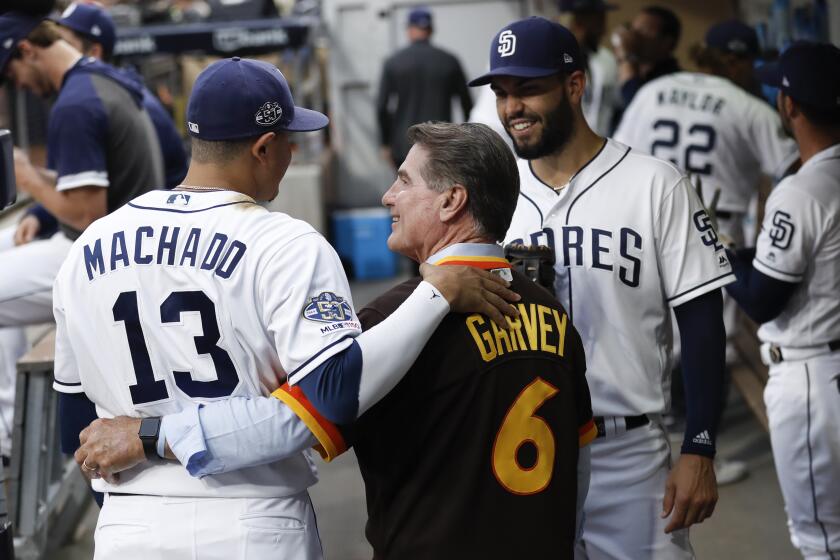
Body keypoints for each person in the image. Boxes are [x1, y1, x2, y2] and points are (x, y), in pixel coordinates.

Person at [57, 57, 519, 559]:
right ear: (262, 147)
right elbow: (328, 404)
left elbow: (73, 428)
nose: (293, 151)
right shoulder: (284, 242)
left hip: (130, 526)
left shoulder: (88, 245)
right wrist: (436, 294)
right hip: (253, 519)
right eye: (287, 139)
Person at [470, 17, 732, 559]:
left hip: (629, 452)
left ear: (574, 85)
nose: (512, 107)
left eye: (528, 89)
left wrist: (700, 446)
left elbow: (703, 320)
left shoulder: (655, 184)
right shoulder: (494, 201)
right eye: (502, 92)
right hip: (523, 450)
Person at [612, 19, 799, 485]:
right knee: (707, 340)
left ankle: (663, 437)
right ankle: (701, 454)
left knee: (654, 335)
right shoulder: (747, 105)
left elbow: (616, 151)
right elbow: (794, 167)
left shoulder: (656, 90)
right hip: (714, 226)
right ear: (735, 62)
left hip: (640, 220)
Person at [0, 12, 163, 462]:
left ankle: (5, 438)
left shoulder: (75, 102)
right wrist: (41, 205)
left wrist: (29, 180)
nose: (17, 85)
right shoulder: (99, 76)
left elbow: (88, 213)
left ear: (28, 51)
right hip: (131, 236)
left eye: (11, 70)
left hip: (107, 252)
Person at [724, 41, 840, 560]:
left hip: (814, 378)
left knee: (820, 538)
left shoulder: (802, 190)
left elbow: (762, 300)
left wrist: (718, 255)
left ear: (789, 106)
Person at [14, 2, 190, 247]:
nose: (55, 45)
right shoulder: (92, 92)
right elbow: (78, 185)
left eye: (64, 40)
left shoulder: (92, 101)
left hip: (151, 238)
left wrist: (28, 179)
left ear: (93, 51)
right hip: (123, 230)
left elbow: (91, 212)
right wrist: (40, 214)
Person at [376, 6, 473, 169]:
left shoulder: (394, 62)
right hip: (441, 143)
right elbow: (467, 104)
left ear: (409, 29)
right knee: (441, 192)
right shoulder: (449, 61)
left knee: (406, 190)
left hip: (404, 144)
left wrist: (385, 142)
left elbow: (381, 107)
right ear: (431, 29)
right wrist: (467, 142)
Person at [611, 5, 681, 126]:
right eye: (633, 29)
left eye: (643, 31)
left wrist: (626, 57)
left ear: (666, 42)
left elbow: (636, 105)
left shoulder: (674, 81)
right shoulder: (624, 70)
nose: (633, 36)